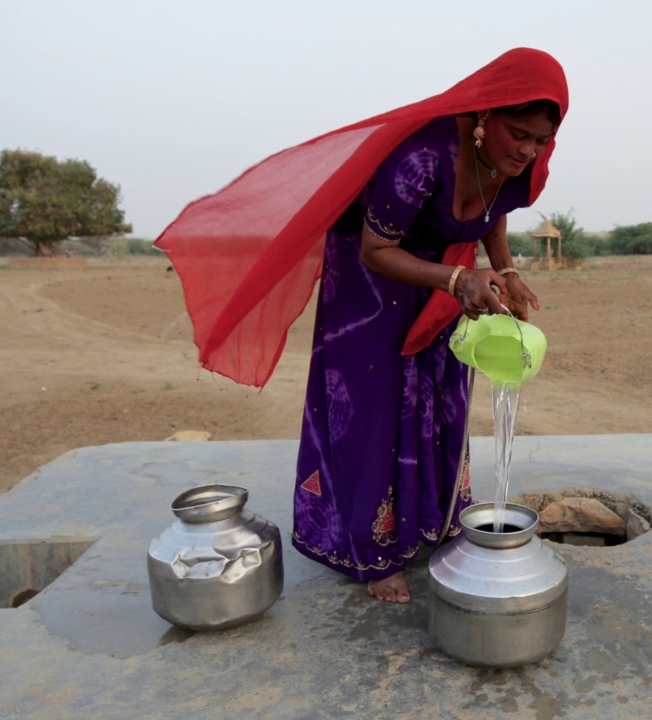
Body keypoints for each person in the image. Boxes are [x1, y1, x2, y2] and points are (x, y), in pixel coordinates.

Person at [155, 49, 568, 603]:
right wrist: (457, 279)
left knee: (438, 398)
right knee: (374, 409)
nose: (527, 150)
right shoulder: (422, 158)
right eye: (518, 133)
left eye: (540, 141)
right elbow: (376, 249)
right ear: (485, 117)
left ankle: (428, 522)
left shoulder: (519, 158)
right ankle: (370, 554)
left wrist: (506, 270)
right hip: (373, 285)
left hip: (447, 277)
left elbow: (494, 208)